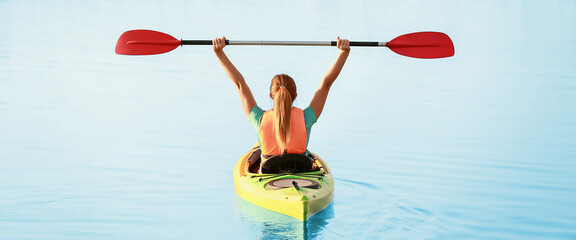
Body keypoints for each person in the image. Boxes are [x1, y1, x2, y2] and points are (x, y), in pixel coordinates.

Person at [213, 36, 350, 172]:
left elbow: (239, 84)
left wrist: (219, 52)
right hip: (302, 170)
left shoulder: (259, 119)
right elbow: (325, 85)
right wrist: (344, 53)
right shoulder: (306, 118)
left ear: (271, 96)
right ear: (295, 96)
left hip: (268, 173)